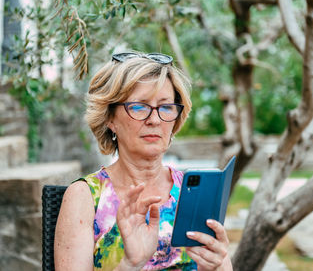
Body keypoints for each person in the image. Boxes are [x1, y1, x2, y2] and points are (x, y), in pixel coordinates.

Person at [54, 52, 232, 270]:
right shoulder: (85, 197)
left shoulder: (192, 192)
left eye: (166, 107)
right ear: (110, 118)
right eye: (139, 106)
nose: (155, 120)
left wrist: (217, 266)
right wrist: (130, 264)